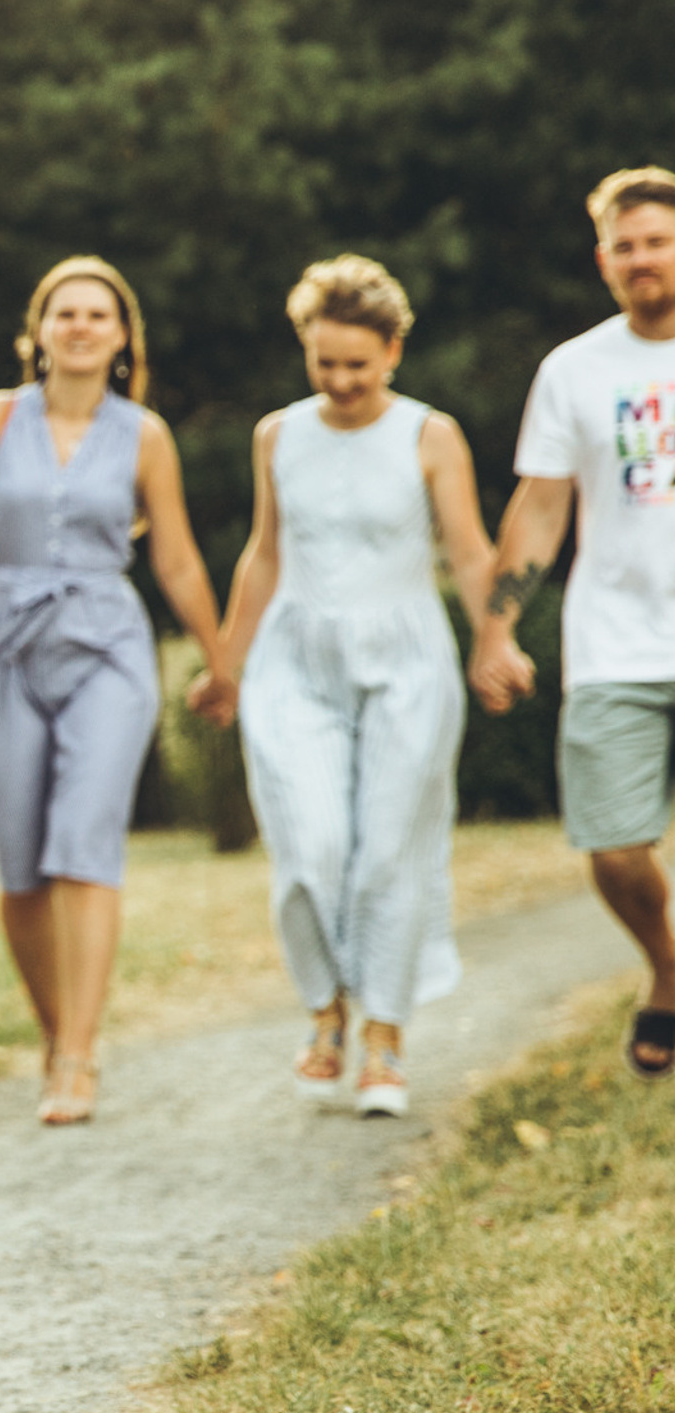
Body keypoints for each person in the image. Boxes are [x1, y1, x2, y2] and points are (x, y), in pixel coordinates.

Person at [0, 257, 233, 1126]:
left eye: (96, 315)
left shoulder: (144, 434)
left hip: (107, 643)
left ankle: (79, 1054)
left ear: (121, 339)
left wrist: (221, 659)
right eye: (62, 313)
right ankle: (55, 1032)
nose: (78, 326)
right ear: (37, 334)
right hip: (2, 643)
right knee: (24, 864)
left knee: (84, 839)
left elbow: (175, 556)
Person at [204, 258, 495, 1117]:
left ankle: (385, 1039)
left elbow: (470, 550)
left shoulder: (429, 434)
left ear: (394, 350)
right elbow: (264, 551)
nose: (339, 382)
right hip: (297, 657)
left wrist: (495, 641)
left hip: (405, 653)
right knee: (310, 844)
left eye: (357, 366)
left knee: (389, 851)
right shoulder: (278, 434)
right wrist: (227, 663)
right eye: (323, 363)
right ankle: (325, 1009)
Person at [472, 165, 675, 1079]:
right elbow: (542, 508)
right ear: (603, 259)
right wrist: (495, 628)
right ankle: (669, 968)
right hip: (615, 643)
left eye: (658, 241)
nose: (643, 259)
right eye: (626, 245)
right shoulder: (575, 370)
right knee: (613, 845)